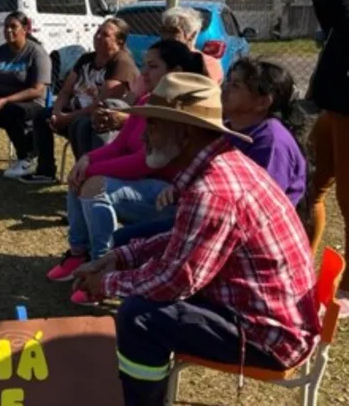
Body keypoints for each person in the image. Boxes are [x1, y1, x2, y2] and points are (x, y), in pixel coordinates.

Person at [72, 72, 319, 406]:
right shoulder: (219, 167)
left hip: (269, 335)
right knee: (141, 298)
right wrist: (120, 258)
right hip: (265, 314)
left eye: (155, 125)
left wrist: (107, 284)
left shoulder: (212, 190)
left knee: (139, 317)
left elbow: (175, 281)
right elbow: (181, 240)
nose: (145, 135)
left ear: (185, 133)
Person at [47, 40, 204, 304]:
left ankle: (101, 268)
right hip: (147, 187)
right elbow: (120, 145)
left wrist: (92, 169)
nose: (144, 73)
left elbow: (145, 162)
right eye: (144, 65)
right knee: (80, 179)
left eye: (153, 67)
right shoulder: (146, 100)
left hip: (170, 197)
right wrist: (86, 159)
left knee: (94, 186)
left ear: (175, 70)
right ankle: (78, 253)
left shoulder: (176, 108)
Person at [113, 58, 308, 248]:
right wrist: (178, 187)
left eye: (236, 86)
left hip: (242, 233)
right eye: (228, 82)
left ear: (262, 102)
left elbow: (260, 210)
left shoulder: (271, 142)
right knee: (121, 224)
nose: (225, 88)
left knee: (124, 239)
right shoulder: (230, 127)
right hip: (201, 206)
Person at [19, 18, 137, 184]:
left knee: (80, 124)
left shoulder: (121, 63)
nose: (98, 37)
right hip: (75, 111)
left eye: (105, 35)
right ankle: (45, 171)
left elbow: (102, 104)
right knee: (41, 116)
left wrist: (66, 118)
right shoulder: (86, 59)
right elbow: (66, 90)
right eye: (98, 32)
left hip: (101, 119)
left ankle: (84, 178)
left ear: (120, 41)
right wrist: (56, 112)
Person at [302, 0, 349, 314]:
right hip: (333, 106)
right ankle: (300, 259)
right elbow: (337, 26)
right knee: (310, 183)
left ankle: (348, 290)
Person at [0, 11, 51, 178]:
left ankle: (25, 160)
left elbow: (38, 89)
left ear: (25, 29)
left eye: (13, 27)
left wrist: (5, 101)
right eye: (6, 27)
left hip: (31, 104)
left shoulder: (36, 53)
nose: (8, 30)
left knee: (11, 111)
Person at [129, 6, 224, 97]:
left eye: (173, 31)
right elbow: (132, 97)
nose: (166, 36)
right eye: (163, 30)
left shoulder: (206, 63)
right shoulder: (156, 58)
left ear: (192, 35)